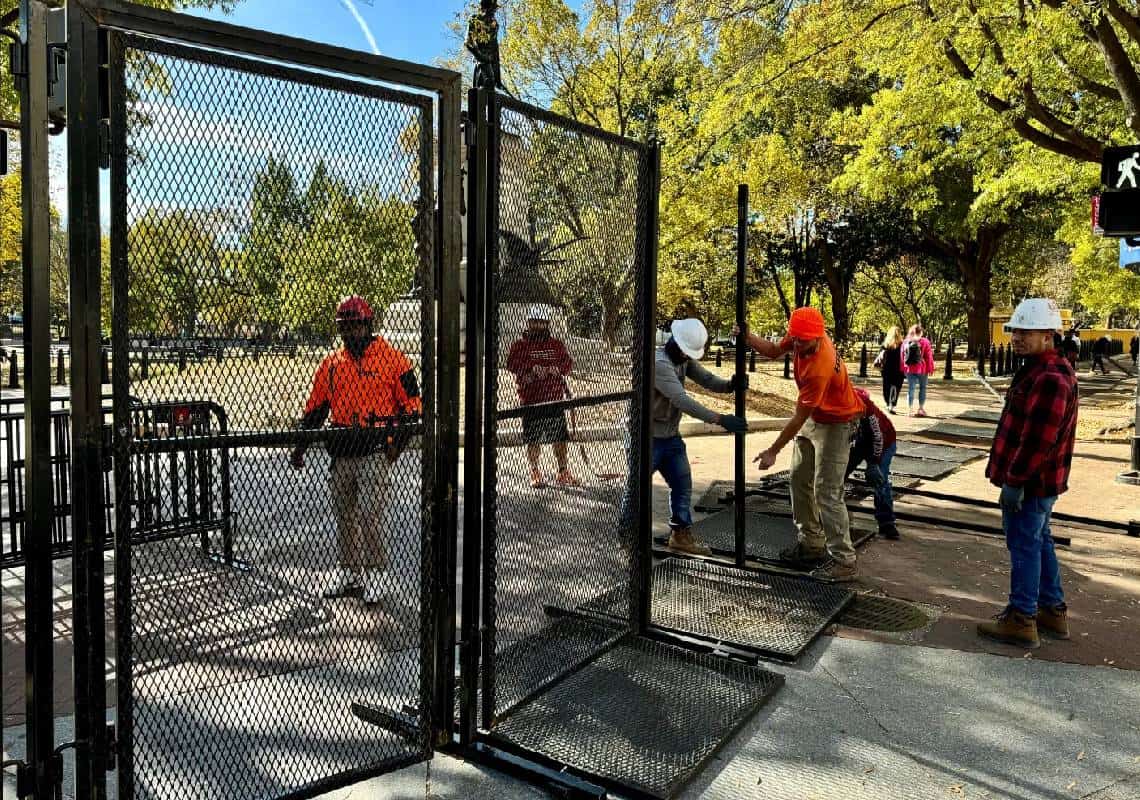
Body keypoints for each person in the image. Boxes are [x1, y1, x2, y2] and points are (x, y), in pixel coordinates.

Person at [290, 295, 422, 605]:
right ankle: (350, 573)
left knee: (369, 515)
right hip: (342, 451)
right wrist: (300, 447)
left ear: (368, 325)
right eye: (345, 327)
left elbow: (413, 407)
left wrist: (396, 446)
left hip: (374, 448)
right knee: (344, 515)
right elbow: (316, 409)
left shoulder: (394, 360)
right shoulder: (332, 364)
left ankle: (376, 575)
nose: (351, 333)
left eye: (356, 326)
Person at [736, 307, 866, 581]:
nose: (796, 344)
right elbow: (774, 350)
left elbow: (798, 418)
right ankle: (811, 543)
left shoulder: (819, 368)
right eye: (794, 338)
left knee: (827, 491)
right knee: (798, 478)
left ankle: (844, 561)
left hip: (838, 421)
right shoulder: (801, 333)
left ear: (818, 337)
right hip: (817, 415)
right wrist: (748, 337)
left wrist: (773, 450)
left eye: (802, 341)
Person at [977, 298, 1078, 649]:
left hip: (1031, 483)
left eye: (1026, 332)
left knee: (1025, 544)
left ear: (1048, 335)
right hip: (1040, 482)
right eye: (1015, 331)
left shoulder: (1048, 377)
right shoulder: (1043, 370)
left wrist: (1014, 482)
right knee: (1039, 540)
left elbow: (1037, 440)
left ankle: (1022, 618)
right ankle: (1051, 610)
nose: (1017, 338)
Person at [652, 318, 748, 555]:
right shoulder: (659, 363)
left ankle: (680, 535)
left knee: (682, 483)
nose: (687, 357)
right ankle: (628, 534)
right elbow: (681, 400)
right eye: (685, 352)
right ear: (674, 342)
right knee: (636, 489)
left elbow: (706, 379)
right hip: (647, 438)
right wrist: (720, 419)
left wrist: (730, 385)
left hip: (670, 436)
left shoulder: (682, 359)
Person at [505, 304, 577, 488]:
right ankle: (535, 471)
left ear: (547, 324)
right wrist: (531, 369)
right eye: (534, 322)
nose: (538, 325)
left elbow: (568, 364)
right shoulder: (520, 345)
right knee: (533, 439)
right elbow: (511, 364)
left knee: (560, 439)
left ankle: (562, 471)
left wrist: (557, 369)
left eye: (542, 322)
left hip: (554, 399)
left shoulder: (556, 345)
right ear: (529, 323)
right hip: (532, 400)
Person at [846, 388, 899, 540]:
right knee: (839, 472)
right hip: (859, 443)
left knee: (880, 480)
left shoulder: (869, 412)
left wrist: (873, 463)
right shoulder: (840, 402)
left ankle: (887, 522)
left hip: (885, 443)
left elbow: (878, 438)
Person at [901, 324, 935, 417]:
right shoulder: (925, 341)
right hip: (922, 369)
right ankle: (920, 409)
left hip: (909, 369)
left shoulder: (906, 342)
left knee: (911, 389)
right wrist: (930, 368)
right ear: (921, 332)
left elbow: (902, 356)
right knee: (922, 388)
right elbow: (928, 357)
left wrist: (903, 368)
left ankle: (910, 410)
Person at [873, 326, 905, 414]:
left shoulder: (885, 345)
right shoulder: (902, 345)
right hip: (899, 370)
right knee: (896, 387)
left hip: (887, 370)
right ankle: (892, 404)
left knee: (887, 387)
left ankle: (888, 403)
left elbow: (880, 357)